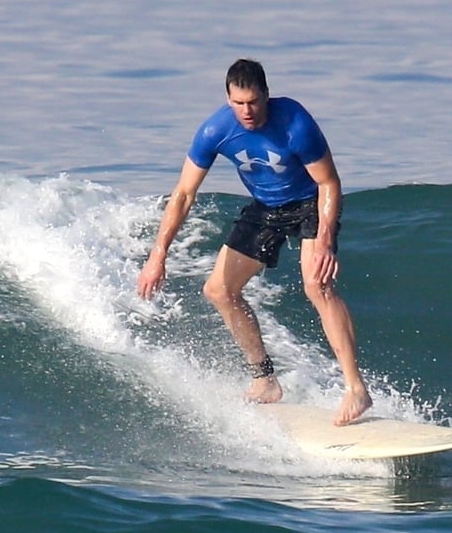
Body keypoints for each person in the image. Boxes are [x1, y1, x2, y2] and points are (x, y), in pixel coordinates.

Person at [136, 58, 373, 426]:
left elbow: (329, 182)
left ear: (266, 94)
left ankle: (356, 389)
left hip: (310, 203)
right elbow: (183, 194)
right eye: (238, 103)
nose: (246, 111)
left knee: (317, 286)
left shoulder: (295, 123)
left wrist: (324, 238)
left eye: (253, 102)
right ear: (228, 99)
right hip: (266, 206)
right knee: (218, 290)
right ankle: (265, 380)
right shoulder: (216, 130)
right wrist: (158, 254)